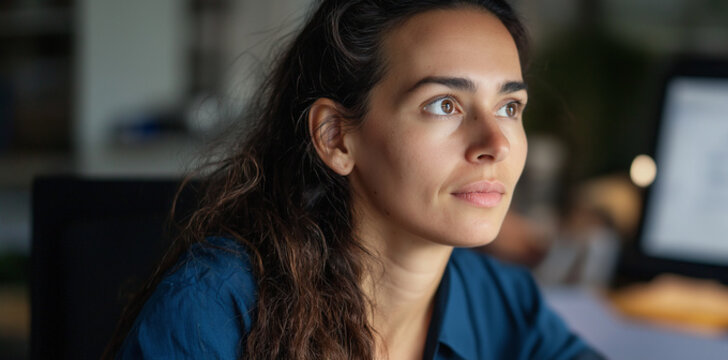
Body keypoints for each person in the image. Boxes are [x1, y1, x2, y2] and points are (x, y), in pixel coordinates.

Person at [103, 0, 602, 359]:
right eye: (444, 105)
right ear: (337, 137)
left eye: (509, 107)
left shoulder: (502, 299)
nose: (496, 143)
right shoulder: (213, 307)